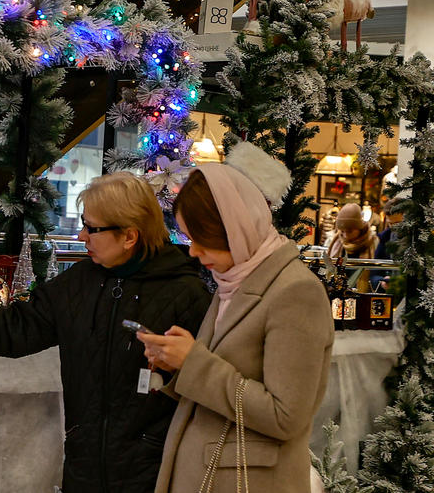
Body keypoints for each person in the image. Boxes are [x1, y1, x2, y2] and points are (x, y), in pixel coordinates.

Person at [0, 172, 211, 493]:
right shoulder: (77, 285)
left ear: (129, 236)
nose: (82, 236)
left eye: (93, 228)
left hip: (158, 476)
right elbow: (14, 329)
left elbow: (206, 387)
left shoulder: (186, 295)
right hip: (83, 473)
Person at [138, 160, 333, 493]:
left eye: (202, 240)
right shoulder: (237, 277)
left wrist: (193, 362)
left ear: (235, 227)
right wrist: (177, 364)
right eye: (188, 239)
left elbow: (285, 415)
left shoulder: (294, 292)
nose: (194, 252)